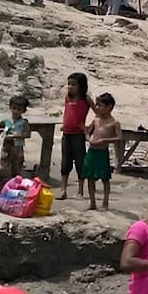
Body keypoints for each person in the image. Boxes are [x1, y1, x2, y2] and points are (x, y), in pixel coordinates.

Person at [84, 93, 120, 210]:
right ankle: (92, 202)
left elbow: (119, 137)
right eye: (97, 105)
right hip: (92, 151)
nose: (97, 108)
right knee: (89, 176)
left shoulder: (114, 122)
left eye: (100, 106)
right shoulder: (96, 120)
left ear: (109, 107)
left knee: (105, 178)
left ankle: (105, 202)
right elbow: (87, 132)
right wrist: (89, 138)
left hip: (102, 152)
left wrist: (104, 139)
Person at [58, 73, 89, 201]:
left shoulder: (85, 100)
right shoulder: (67, 98)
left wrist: (89, 127)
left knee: (80, 163)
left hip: (78, 135)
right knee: (65, 162)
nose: (70, 87)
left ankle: (80, 191)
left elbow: (99, 113)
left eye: (74, 84)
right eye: (69, 84)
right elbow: (67, 113)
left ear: (81, 86)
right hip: (66, 133)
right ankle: (63, 189)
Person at [0, 96, 29, 181]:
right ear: (10, 107)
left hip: (17, 148)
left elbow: (27, 134)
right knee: (4, 169)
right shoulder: (6, 121)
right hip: (7, 147)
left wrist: (16, 136)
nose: (16, 111)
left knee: (16, 169)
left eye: (19, 109)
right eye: (14, 108)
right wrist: (2, 129)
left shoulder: (24, 122)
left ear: (23, 111)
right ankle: (3, 188)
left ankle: (15, 187)